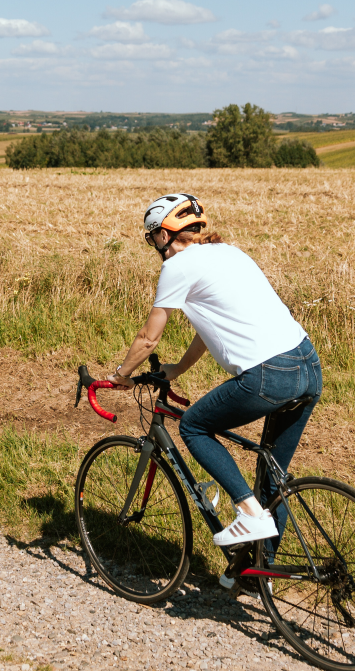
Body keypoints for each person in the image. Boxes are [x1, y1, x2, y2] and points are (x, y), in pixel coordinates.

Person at [109, 191, 322, 587]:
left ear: (165, 234)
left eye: (153, 235)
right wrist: (174, 371)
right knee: (273, 479)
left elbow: (148, 338)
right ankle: (259, 574)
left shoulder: (177, 267)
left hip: (268, 374)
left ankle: (249, 514)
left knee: (192, 426)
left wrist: (121, 375)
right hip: (307, 365)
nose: (153, 244)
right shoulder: (229, 253)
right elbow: (208, 333)